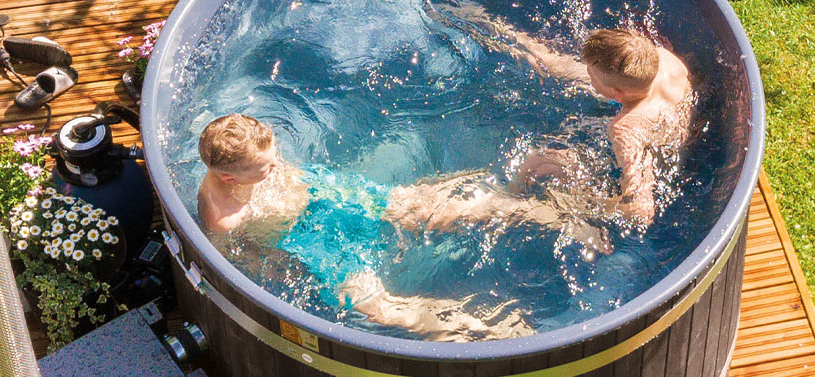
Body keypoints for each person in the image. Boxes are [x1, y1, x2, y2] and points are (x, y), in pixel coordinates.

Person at [193, 114, 603, 341]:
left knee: (428, 207)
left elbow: (282, 170)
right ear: (229, 178)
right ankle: (488, 331)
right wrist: (286, 271)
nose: (276, 165)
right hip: (314, 243)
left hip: (330, 195)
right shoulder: (222, 216)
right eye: (266, 167)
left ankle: (551, 214)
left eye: (275, 156)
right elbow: (239, 261)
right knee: (379, 307)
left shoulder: (254, 156)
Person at [472, 26, 697, 230]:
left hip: (655, 155)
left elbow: (641, 211)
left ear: (617, 95)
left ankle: (513, 201)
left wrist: (587, 205)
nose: (588, 77)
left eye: (592, 77)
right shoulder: (663, 59)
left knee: (540, 161)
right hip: (669, 115)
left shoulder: (625, 129)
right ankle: (502, 32)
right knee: (559, 66)